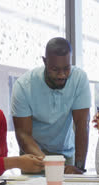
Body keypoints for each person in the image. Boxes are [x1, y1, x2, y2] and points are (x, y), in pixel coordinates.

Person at [11, 37, 91, 174]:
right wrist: (51, 166)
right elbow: (23, 134)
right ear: (45, 61)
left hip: (65, 152)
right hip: (34, 152)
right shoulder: (23, 86)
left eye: (66, 69)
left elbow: (82, 125)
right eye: (55, 69)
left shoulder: (79, 79)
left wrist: (79, 166)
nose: (61, 75)